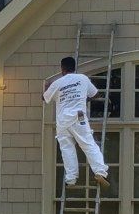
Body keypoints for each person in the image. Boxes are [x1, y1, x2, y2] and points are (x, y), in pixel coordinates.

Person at [43, 56, 110, 188]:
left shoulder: (57, 83)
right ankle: (100, 172)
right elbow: (95, 94)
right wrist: (84, 99)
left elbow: (44, 99)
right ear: (74, 67)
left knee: (67, 149)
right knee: (88, 144)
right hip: (78, 117)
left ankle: (71, 180)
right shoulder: (82, 79)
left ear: (62, 68)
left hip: (62, 121)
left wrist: (47, 87)